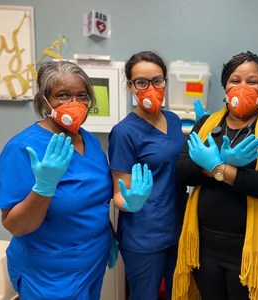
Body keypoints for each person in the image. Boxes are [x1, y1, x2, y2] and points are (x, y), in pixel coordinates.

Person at [172, 51, 258, 300]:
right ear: (225, 85)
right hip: (204, 247)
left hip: (251, 251)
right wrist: (220, 167)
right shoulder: (207, 123)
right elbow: (182, 171)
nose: (242, 87)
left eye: (252, 81)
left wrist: (219, 168)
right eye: (235, 80)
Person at [0, 60, 114, 299]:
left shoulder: (90, 141)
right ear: (44, 101)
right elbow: (15, 225)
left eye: (82, 96)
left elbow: (94, 200)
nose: (75, 104)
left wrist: (109, 235)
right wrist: (44, 187)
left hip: (93, 261)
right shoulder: (23, 147)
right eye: (63, 95)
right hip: (48, 273)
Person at [108, 51, 186, 300]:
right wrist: (130, 202)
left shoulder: (173, 120)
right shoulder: (123, 133)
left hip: (178, 226)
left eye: (157, 80)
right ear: (131, 86)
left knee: (179, 293)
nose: (150, 88)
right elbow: (119, 193)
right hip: (143, 234)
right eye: (141, 82)